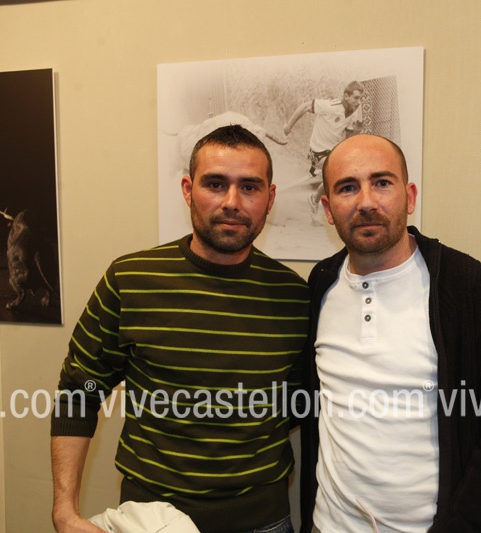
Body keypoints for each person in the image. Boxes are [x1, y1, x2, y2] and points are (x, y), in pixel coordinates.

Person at [50, 125, 310, 533]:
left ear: (270, 198)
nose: (232, 202)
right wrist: (65, 513)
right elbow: (78, 392)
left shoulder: (293, 296)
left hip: (263, 521)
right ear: (188, 190)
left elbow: (295, 403)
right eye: (215, 184)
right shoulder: (130, 280)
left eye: (249, 187)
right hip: (148, 521)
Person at [298, 134, 481, 532]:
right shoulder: (321, 284)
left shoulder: (464, 286)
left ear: (409, 197)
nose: (366, 202)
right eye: (347, 187)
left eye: (382, 182)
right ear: (328, 208)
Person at [283, 81, 364, 223]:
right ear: (346, 96)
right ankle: (327, 205)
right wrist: (288, 127)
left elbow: (348, 141)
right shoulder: (330, 106)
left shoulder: (353, 112)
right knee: (336, 174)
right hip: (317, 152)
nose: (358, 102)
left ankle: (314, 200)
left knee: (343, 175)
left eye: (361, 99)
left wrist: (356, 132)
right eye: (356, 98)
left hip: (333, 152)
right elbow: (304, 107)